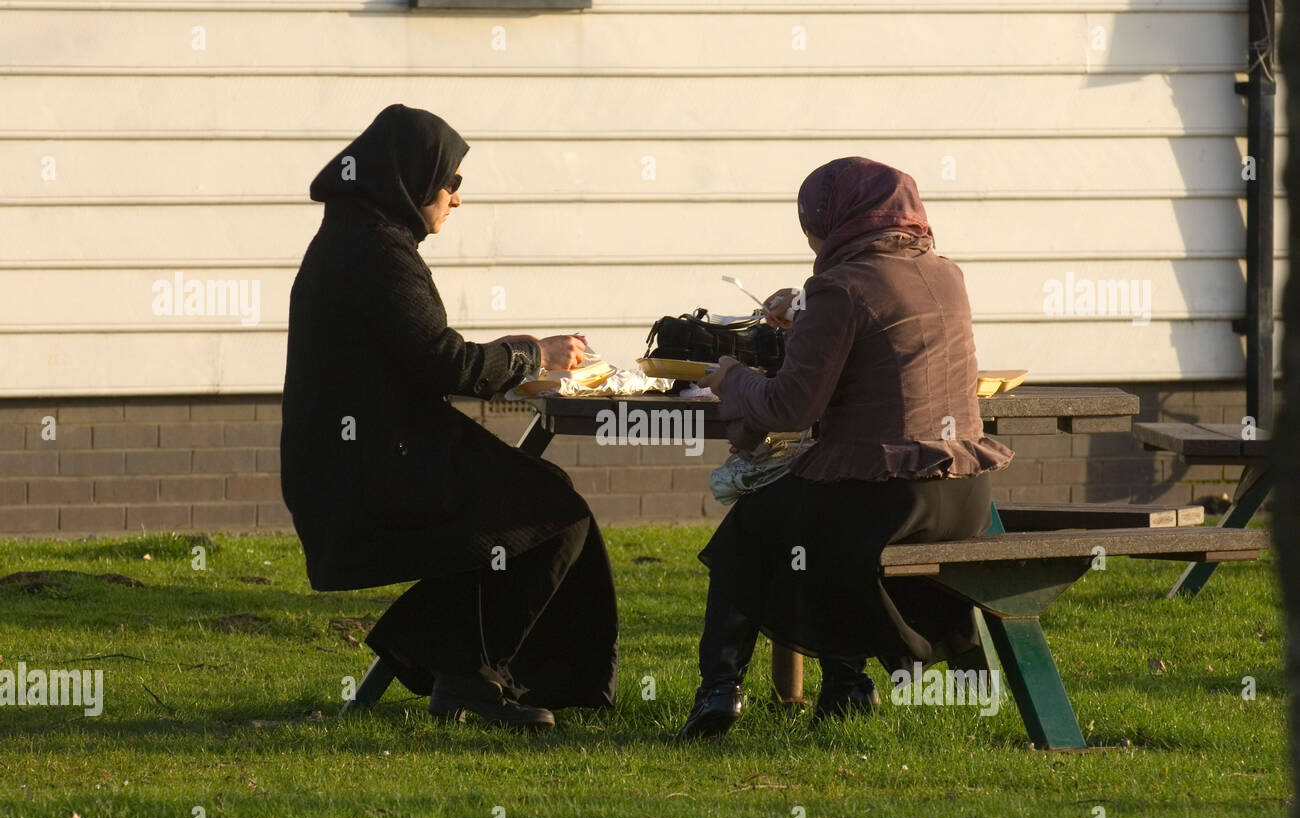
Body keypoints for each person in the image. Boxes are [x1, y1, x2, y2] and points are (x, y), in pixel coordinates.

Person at [280, 104, 618, 729]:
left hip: (365, 454)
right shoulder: (376, 250)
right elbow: (445, 364)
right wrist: (531, 353)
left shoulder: (360, 237)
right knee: (552, 512)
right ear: (412, 179)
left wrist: (516, 358)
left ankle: (463, 669)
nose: (457, 199)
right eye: (452, 181)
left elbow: (420, 353)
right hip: (371, 470)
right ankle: (468, 673)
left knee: (534, 507)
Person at [681, 157, 1014, 739]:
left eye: (812, 225)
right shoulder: (946, 274)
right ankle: (845, 687)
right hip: (965, 495)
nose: (811, 239)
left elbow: (792, 408)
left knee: (751, 531)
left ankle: (720, 691)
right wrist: (804, 319)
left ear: (834, 222)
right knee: (806, 518)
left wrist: (730, 377)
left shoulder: (840, 286)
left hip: (888, 497)